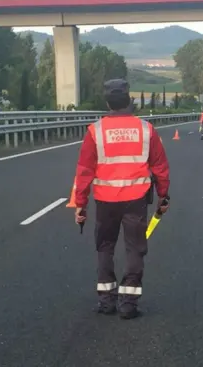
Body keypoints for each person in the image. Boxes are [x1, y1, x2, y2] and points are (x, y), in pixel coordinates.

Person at [74, 79, 170, 320]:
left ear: (107, 103)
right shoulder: (147, 129)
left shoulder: (95, 131)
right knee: (135, 249)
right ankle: (128, 305)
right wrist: (163, 195)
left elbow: (84, 171)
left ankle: (106, 302)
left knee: (105, 247)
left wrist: (80, 205)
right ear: (130, 101)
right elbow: (159, 166)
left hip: (105, 201)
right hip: (136, 200)